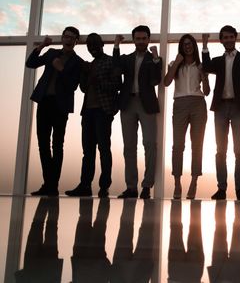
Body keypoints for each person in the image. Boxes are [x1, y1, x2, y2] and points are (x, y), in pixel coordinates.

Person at [26, 26, 83, 196]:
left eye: (72, 37)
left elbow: (73, 86)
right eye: (66, 36)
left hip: (61, 106)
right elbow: (30, 63)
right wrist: (41, 46)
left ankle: (52, 185)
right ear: (62, 38)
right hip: (44, 102)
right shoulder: (51, 53)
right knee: (42, 143)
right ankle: (49, 184)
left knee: (57, 145)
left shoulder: (78, 62)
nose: (68, 39)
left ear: (76, 41)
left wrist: (61, 69)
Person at [65, 33, 121, 198]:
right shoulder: (89, 65)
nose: (92, 49)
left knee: (104, 149)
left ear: (102, 44)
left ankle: (104, 187)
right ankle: (85, 186)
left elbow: (118, 84)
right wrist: (85, 76)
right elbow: (83, 88)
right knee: (87, 151)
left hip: (103, 111)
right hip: (88, 111)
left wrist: (100, 83)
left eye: (95, 45)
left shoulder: (111, 61)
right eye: (90, 47)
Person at [202, 25, 240, 201]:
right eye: (225, 37)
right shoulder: (218, 60)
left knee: (239, 150)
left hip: (239, 108)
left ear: (235, 38)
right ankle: (221, 189)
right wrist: (205, 44)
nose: (229, 39)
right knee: (220, 150)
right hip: (221, 108)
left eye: (231, 36)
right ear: (222, 40)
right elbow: (206, 66)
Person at [113, 25, 162, 199]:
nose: (141, 41)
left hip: (146, 103)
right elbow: (115, 66)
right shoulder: (126, 58)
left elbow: (156, 80)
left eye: (144, 38)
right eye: (138, 38)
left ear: (148, 40)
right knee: (129, 147)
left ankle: (147, 186)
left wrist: (156, 59)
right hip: (127, 103)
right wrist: (117, 45)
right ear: (133, 40)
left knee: (150, 144)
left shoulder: (154, 58)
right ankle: (131, 187)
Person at [164, 34, 210, 199]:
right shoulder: (175, 64)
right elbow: (166, 82)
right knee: (178, 145)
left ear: (194, 46)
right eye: (185, 44)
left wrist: (204, 77)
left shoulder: (200, 65)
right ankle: (177, 183)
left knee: (197, 144)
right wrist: (176, 62)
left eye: (190, 44)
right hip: (180, 104)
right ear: (181, 47)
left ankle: (194, 182)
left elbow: (206, 91)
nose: (188, 46)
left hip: (198, 104)